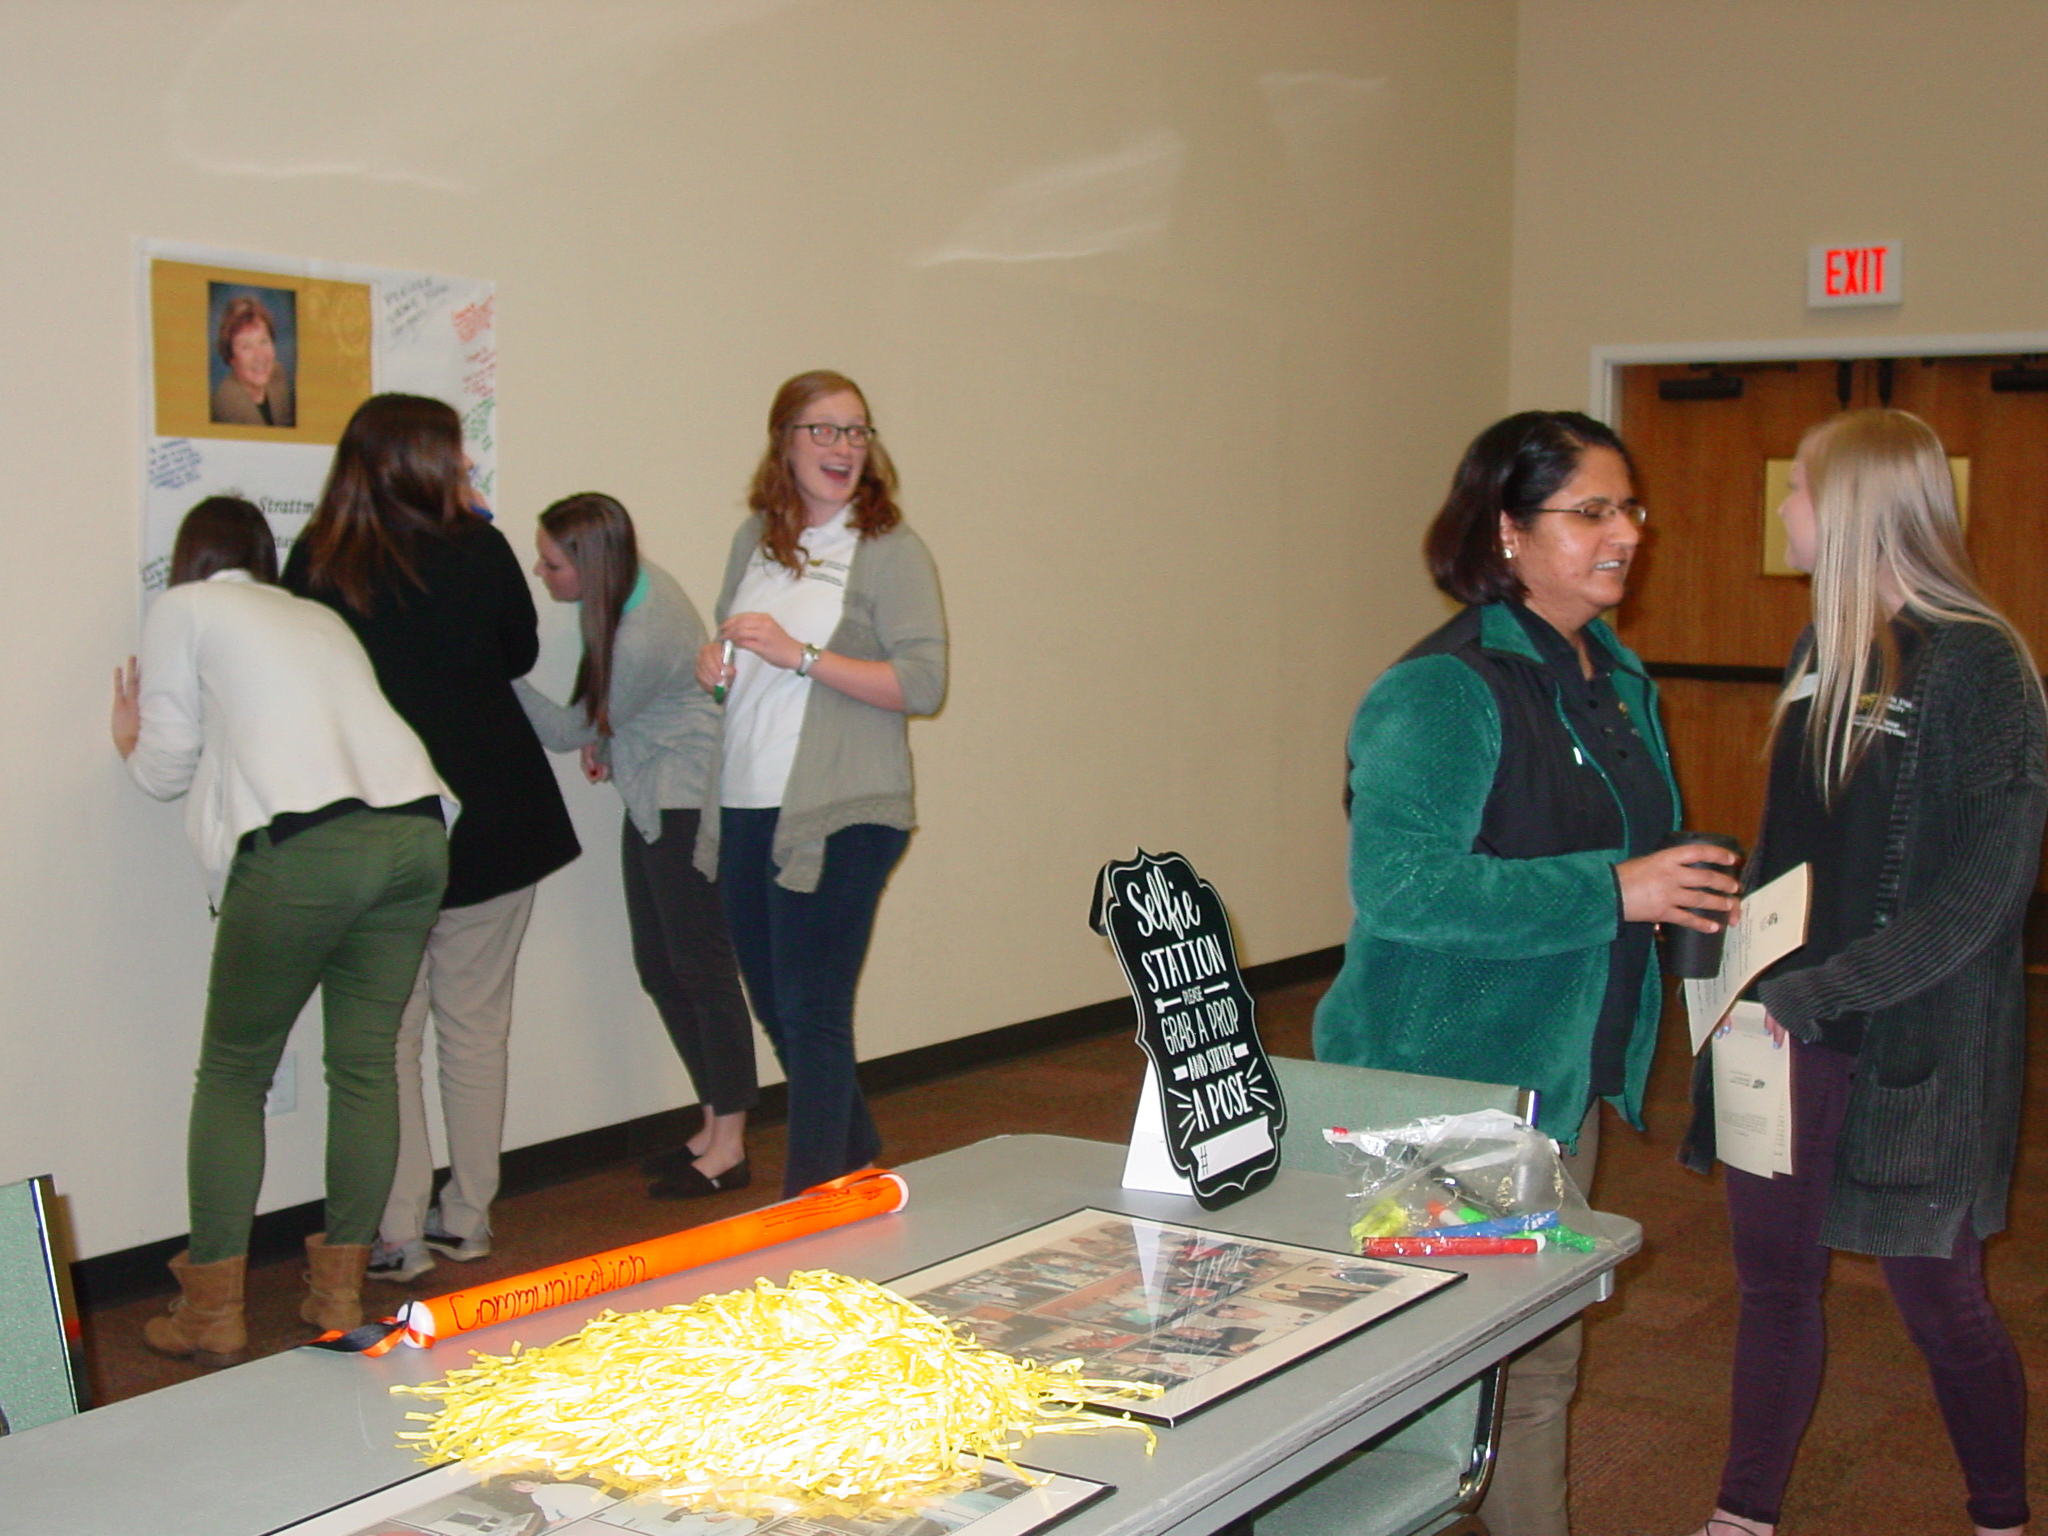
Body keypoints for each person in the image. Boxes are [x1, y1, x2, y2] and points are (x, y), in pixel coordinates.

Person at [1312, 411, 1740, 1536]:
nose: (1622, 534)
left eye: (1628, 508)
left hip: (1555, 1071)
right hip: (1446, 1085)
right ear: (1505, 532)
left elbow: (1633, 855)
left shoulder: (1609, 675)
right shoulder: (1444, 689)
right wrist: (1615, 890)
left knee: (1534, 1361)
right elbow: (1402, 889)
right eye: (1587, 511)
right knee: (1451, 1374)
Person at [1679, 410, 2043, 1536]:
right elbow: (1805, 847)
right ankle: (1742, 1514)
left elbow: (1984, 898)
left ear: (1854, 508)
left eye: (1798, 489)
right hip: (1782, 1031)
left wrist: (1821, 992)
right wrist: (1729, 940)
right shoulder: (1819, 652)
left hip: (1909, 1046)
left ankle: (1998, 1515)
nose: (1782, 508)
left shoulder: (1977, 663)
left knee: (1939, 1302)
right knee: (1773, 1287)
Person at [114, 496, 450, 1362]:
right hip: (416, 833)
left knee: (232, 1071)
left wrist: (126, 737)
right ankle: (336, 1291)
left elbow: (162, 766)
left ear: (190, 559)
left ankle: (212, 1310)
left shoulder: (182, 607)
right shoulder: (315, 616)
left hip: (308, 846)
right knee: (367, 1065)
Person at [284, 393, 580, 1283]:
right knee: (476, 1030)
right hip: (499, 819)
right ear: (425, 463)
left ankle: (398, 1231)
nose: (466, 471)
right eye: (456, 456)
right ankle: (471, 1218)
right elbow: (518, 654)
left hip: (384, 829)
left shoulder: (317, 562)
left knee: (390, 1041)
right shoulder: (478, 546)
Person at [694, 370, 946, 1198]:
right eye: (823, 430)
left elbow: (922, 685)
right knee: (777, 1008)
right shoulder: (754, 541)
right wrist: (717, 663)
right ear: (785, 443)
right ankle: (858, 1158)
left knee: (812, 1013)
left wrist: (799, 655)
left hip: (843, 811)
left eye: (857, 431)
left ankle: (807, 1212)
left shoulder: (890, 550)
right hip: (747, 803)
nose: (843, 448)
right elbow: (746, 660)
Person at [515, 492, 758, 1198]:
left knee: (702, 970)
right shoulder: (625, 587)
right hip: (653, 792)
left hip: (683, 800)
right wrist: (609, 737)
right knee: (661, 965)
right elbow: (606, 712)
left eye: (552, 562)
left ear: (590, 565)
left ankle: (733, 1148)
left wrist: (498, 673)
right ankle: (713, 1125)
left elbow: (564, 729)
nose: (540, 570)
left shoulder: (644, 627)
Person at [209, 294, 295, 428]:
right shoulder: (224, 406)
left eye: (264, 341)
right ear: (231, 358)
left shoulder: (278, 374)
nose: (260, 356)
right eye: (246, 347)